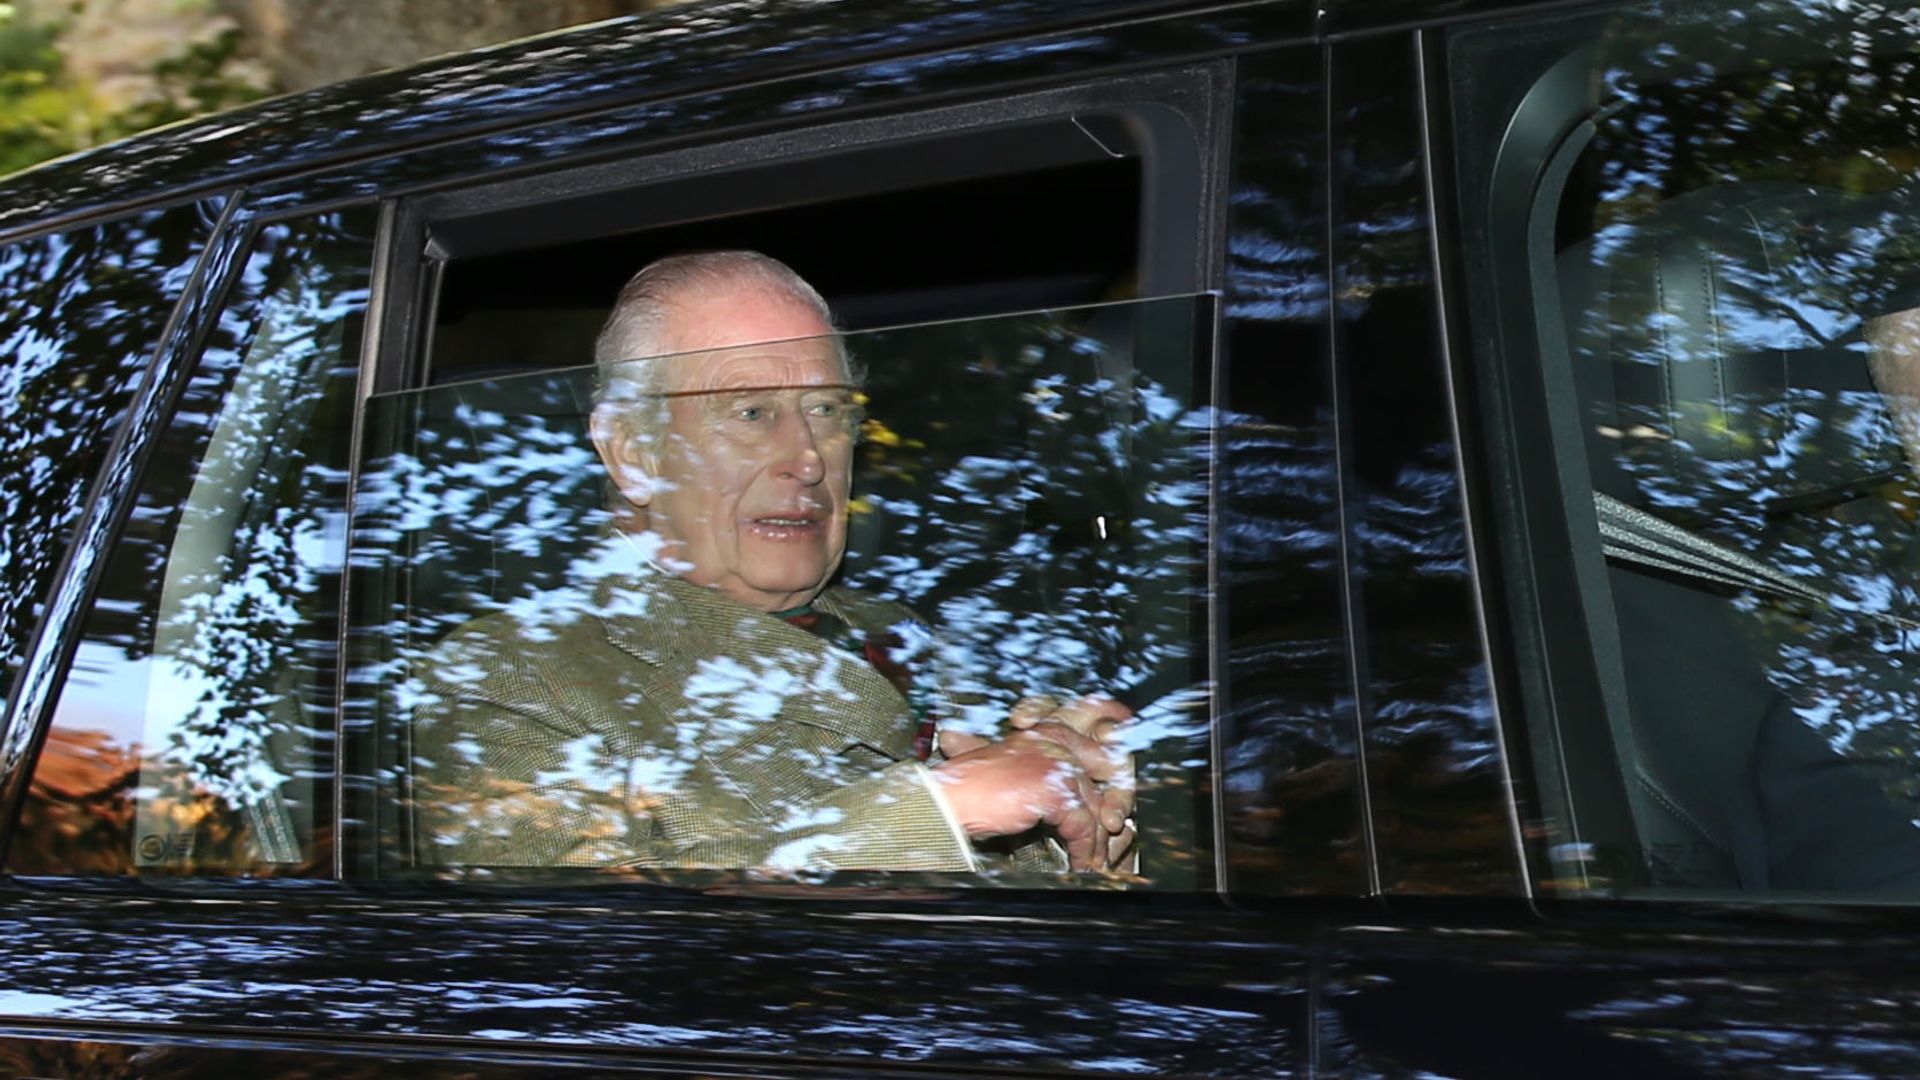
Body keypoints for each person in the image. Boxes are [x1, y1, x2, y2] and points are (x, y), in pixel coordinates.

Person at [409, 250, 1134, 875]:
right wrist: (939, 810)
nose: (808, 459)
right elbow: (571, 961)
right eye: (752, 412)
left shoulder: (905, 630)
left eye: (826, 410)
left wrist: (1093, 826)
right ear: (632, 452)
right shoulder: (506, 680)